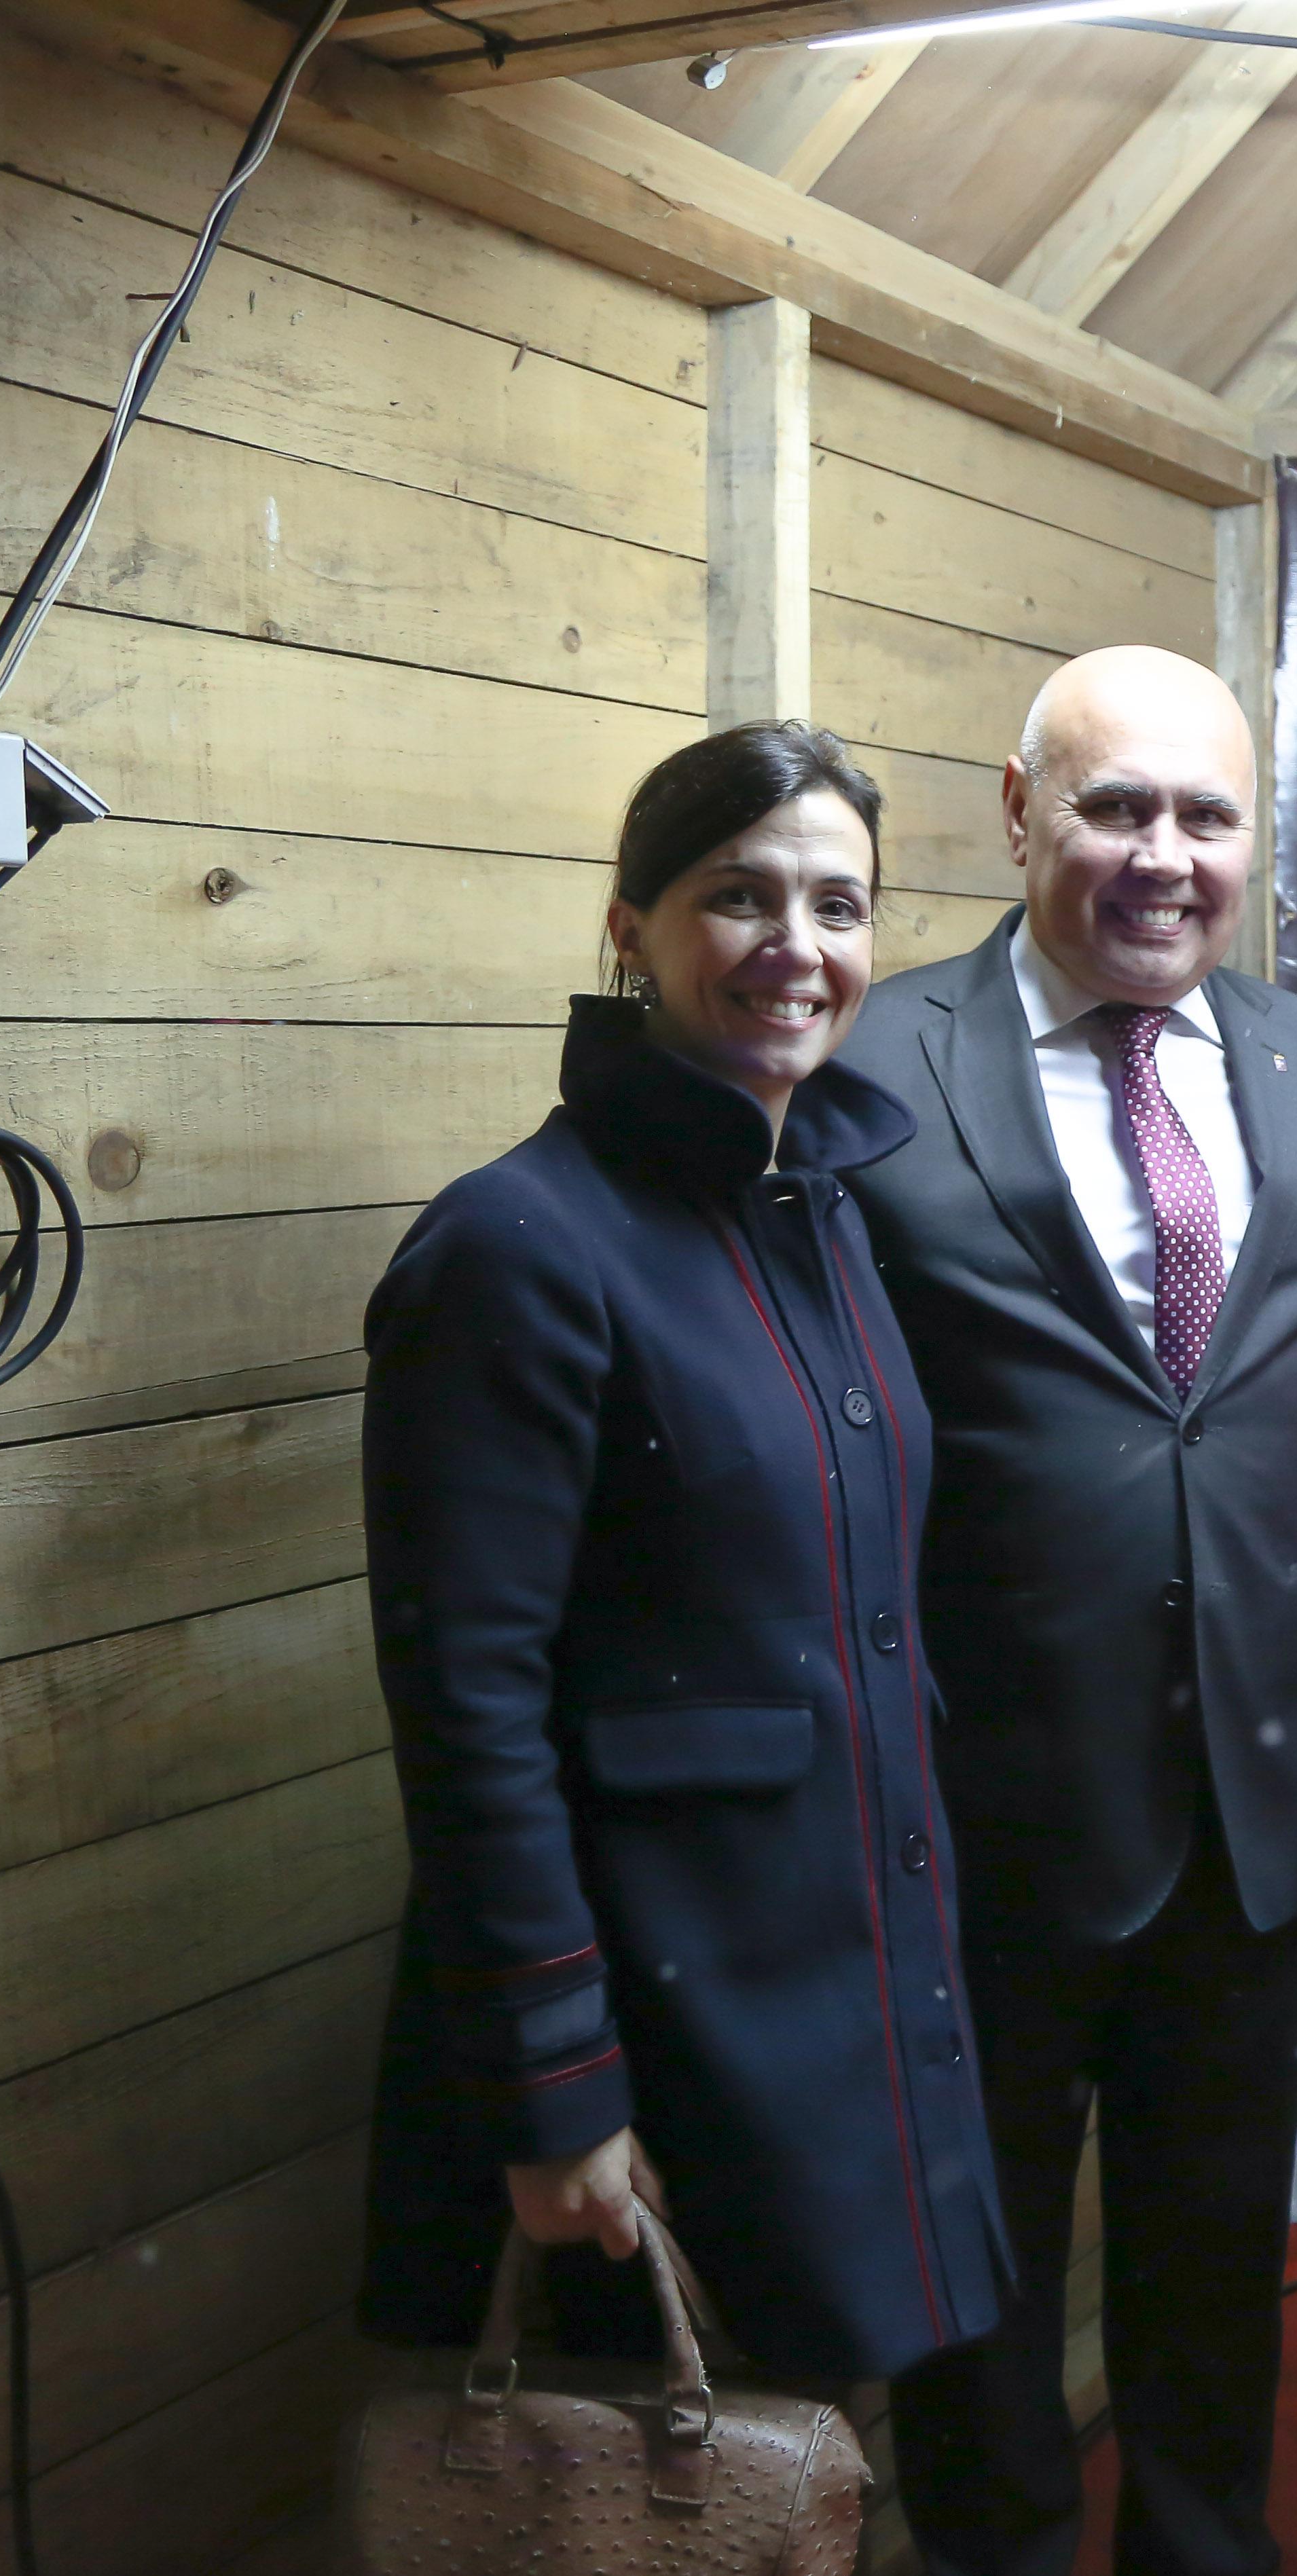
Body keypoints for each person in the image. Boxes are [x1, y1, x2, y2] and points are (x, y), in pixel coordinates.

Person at [843, 644, 1297, 2576]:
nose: (1162, 857)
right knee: (979, 2266)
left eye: (1206, 816)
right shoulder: (862, 1063)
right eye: (1115, 808)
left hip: (1250, 1804)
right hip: (969, 1800)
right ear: (1018, 812)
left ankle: (1204, 2575)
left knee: (1207, 2261)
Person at [355, 721, 1009, 2388]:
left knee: (795, 2485)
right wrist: (555, 2086)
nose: (799, 950)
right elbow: (468, 1704)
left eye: (840, 909)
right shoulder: (518, 1245)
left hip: (833, 1990)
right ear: (628, 927)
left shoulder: (827, 1209)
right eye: (740, 898)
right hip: (653, 2024)